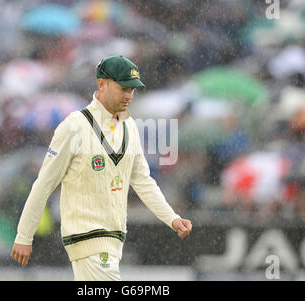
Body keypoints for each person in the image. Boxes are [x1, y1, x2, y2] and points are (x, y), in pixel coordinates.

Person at [11, 55, 192, 281]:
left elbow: (143, 182)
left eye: (132, 89)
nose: (128, 96)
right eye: (123, 88)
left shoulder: (129, 128)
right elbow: (44, 184)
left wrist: (171, 218)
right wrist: (24, 236)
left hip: (114, 235)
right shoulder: (74, 127)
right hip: (86, 234)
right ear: (102, 84)